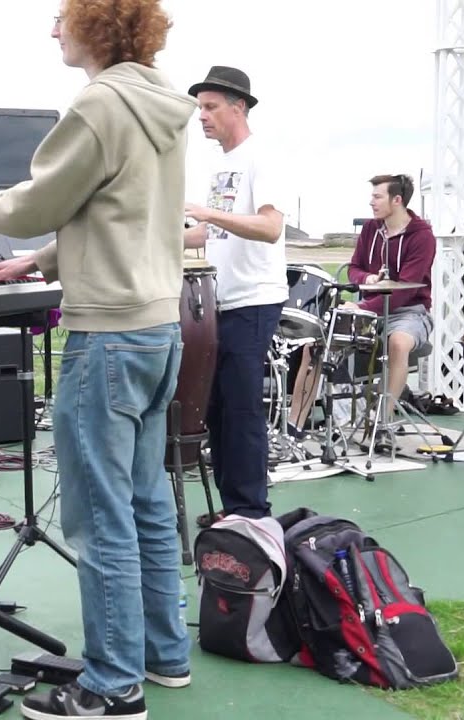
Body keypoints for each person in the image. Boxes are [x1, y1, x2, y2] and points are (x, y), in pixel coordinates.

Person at [0, 2, 195, 716]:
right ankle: (164, 657)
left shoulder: (102, 102)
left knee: (99, 517)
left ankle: (112, 688)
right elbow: (124, 212)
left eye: (61, 16)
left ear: (97, 25)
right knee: (147, 505)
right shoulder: (161, 103)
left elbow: (36, 203)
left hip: (106, 337)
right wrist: (42, 263)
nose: (52, 30)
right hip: (158, 331)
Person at [182, 65, 288, 528]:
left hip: (254, 298)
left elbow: (269, 227)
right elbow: (209, 231)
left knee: (242, 406)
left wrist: (206, 213)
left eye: (210, 107)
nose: (201, 116)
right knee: (220, 406)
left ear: (238, 106)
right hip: (221, 300)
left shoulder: (260, 157)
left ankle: (251, 513)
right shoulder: (221, 165)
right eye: (199, 108)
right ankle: (233, 506)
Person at [288, 174, 435, 442]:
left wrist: (363, 304)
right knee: (315, 345)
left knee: (399, 344)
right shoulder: (370, 229)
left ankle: (381, 423)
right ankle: (294, 424)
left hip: (409, 311)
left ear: (397, 200)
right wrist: (365, 279)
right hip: (367, 309)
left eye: (377, 197)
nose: (371, 202)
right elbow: (354, 268)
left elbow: (407, 290)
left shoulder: (422, 236)